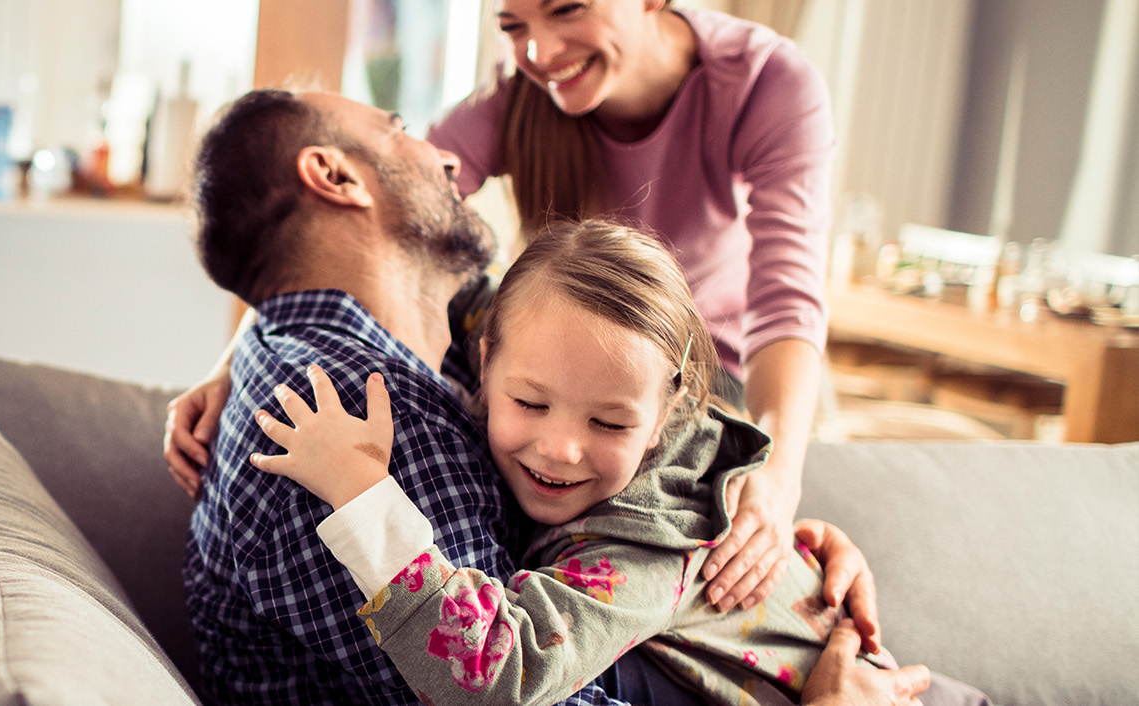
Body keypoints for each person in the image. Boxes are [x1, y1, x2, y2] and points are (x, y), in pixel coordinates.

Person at [180, 86, 924, 705]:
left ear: (660, 417)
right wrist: (358, 490)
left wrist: (775, 524)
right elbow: (497, 677)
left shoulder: (370, 355)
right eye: (400, 128)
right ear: (335, 178)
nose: (447, 156)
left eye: (610, 420)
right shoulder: (358, 413)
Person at [172, 0, 834, 621]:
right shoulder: (521, 95)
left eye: (567, 7)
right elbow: (366, 223)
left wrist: (778, 479)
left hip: (705, 381)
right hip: (559, 360)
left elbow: (786, 302)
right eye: (513, 24)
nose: (540, 50)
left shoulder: (763, 82)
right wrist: (253, 338)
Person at [249, 220, 990, 705]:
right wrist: (246, 343)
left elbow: (498, 676)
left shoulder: (645, 545)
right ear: (484, 359)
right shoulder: (528, 325)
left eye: (610, 422)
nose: (561, 448)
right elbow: (411, 274)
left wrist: (361, 491)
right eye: (530, 403)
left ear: (665, 415)